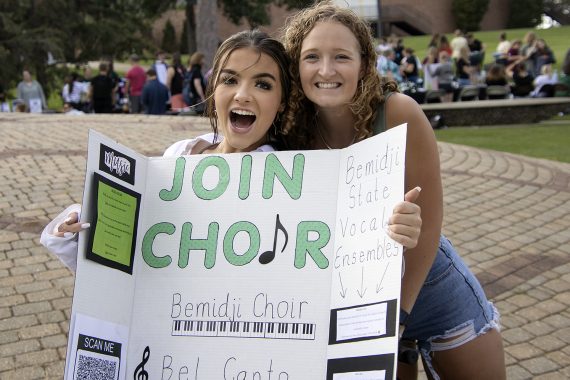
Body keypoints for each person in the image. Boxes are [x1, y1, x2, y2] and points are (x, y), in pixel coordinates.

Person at [41, 29, 422, 282]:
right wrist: (82, 228)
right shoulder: (179, 157)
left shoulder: (301, 179)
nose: (243, 94)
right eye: (230, 80)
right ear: (213, 89)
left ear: (281, 101)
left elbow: (350, 270)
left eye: (263, 84)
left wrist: (392, 234)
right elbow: (133, 262)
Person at [281, 2, 505, 379]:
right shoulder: (291, 130)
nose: (326, 70)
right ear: (295, 66)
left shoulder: (399, 112)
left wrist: (398, 315)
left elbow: (430, 224)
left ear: (364, 63)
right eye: (312, 57)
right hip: (360, 304)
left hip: (430, 289)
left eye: (341, 57)